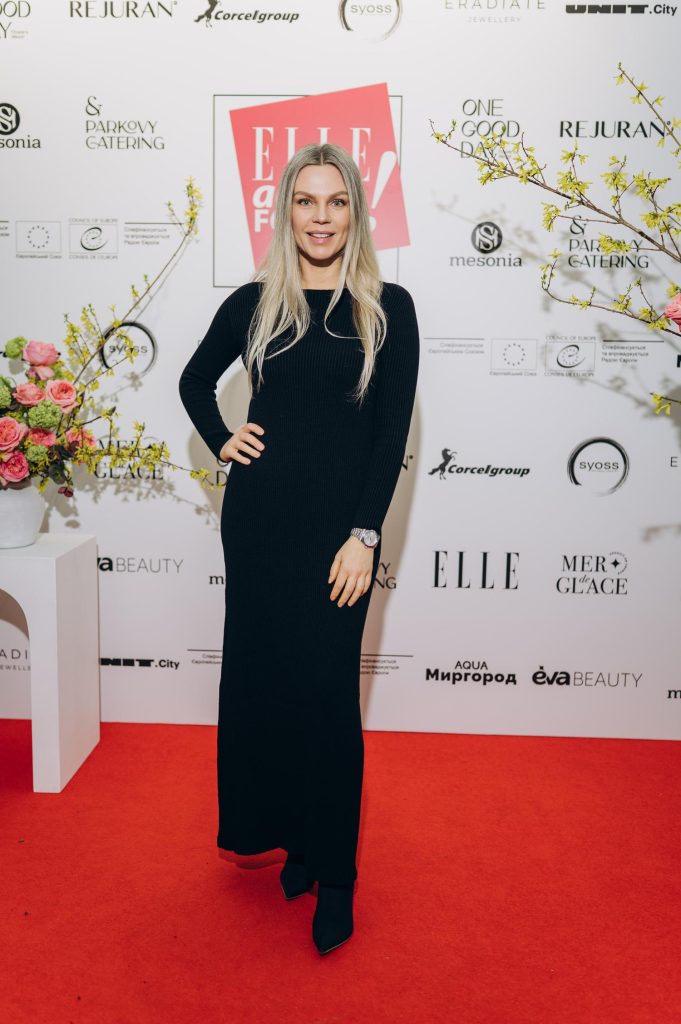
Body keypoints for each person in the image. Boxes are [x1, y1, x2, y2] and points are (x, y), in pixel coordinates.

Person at [178, 142, 419, 955]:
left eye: (336, 201)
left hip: (338, 536)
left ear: (356, 212)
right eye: (306, 201)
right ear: (286, 212)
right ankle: (295, 846)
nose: (321, 217)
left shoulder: (388, 309)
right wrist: (223, 437)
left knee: (327, 700)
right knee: (268, 687)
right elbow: (192, 380)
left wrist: (363, 534)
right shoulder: (255, 304)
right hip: (259, 526)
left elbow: (388, 436)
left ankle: (336, 874)